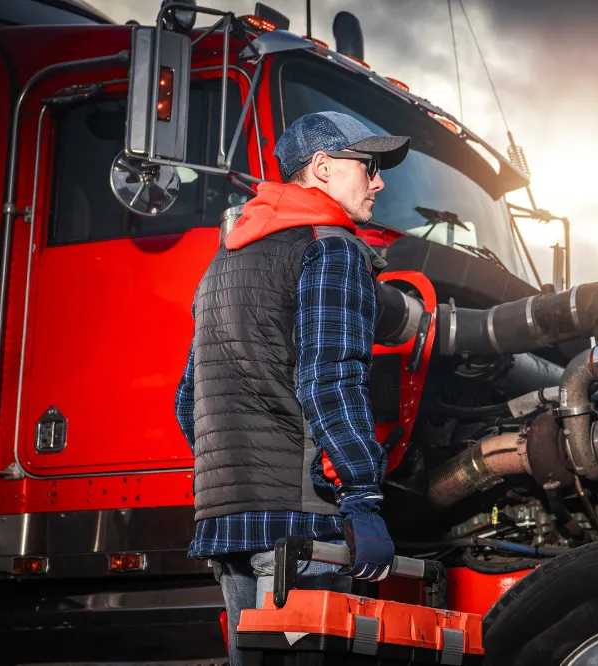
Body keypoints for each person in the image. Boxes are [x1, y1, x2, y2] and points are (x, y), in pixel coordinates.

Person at [173, 111, 410, 665]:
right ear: (323, 168)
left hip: (226, 519)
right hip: (301, 524)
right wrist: (360, 495)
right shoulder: (333, 248)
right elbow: (331, 378)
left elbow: (190, 401)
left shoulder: (224, 262)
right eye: (368, 166)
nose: (378, 182)